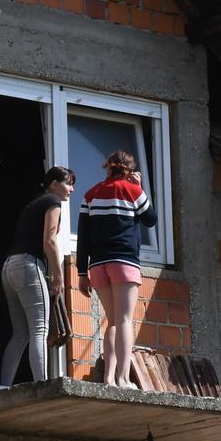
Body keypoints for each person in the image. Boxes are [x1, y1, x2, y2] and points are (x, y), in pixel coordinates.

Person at [76, 150, 156, 387]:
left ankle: (109, 378)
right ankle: (123, 378)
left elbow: (83, 236)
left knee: (112, 322)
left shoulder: (91, 195)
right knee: (124, 320)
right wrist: (140, 188)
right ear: (129, 170)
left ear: (107, 168)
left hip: (98, 265)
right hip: (124, 262)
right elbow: (150, 219)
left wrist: (82, 272)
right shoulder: (132, 191)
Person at [0, 166, 73, 385]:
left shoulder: (33, 204)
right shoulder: (53, 202)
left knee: (21, 334)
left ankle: (4, 386)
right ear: (53, 184)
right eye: (68, 183)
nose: (72, 188)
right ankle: (42, 386)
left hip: (9, 269)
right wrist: (58, 274)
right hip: (28, 266)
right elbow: (49, 240)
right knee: (39, 329)